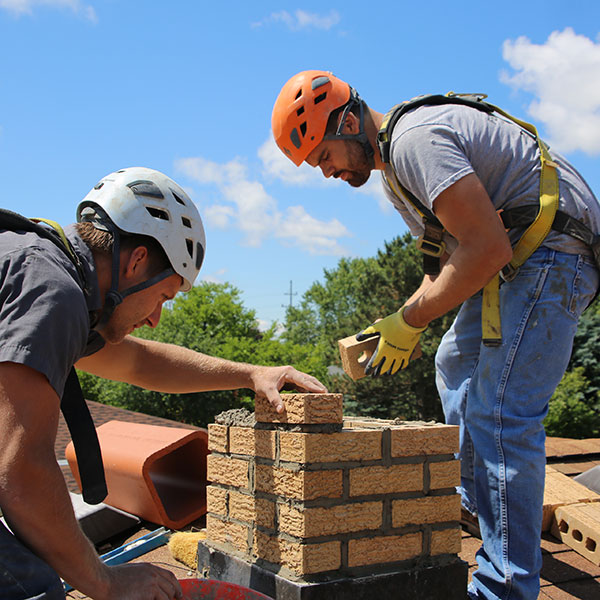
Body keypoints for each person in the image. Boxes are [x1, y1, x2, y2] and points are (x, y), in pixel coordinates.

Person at [271, 71, 600, 600]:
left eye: (324, 155)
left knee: (501, 413)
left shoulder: (413, 141)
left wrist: (415, 319)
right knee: (452, 361)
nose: (324, 171)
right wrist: (399, 321)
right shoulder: (395, 173)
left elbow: (485, 250)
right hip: (518, 252)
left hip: (551, 251)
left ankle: (505, 586)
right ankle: (476, 499)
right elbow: (446, 258)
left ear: (349, 120)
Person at [0, 166, 327, 600]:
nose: (155, 318)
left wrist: (250, 374)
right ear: (136, 262)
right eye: (164, 296)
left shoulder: (52, 277)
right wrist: (106, 581)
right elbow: (21, 472)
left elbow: (139, 363)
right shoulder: (52, 292)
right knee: (32, 588)